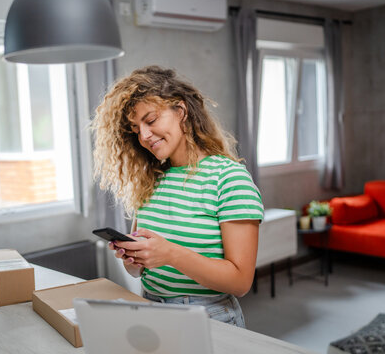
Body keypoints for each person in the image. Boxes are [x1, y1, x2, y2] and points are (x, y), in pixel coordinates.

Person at [91, 66, 264, 327]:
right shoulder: (150, 180)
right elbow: (138, 271)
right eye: (136, 129)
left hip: (208, 317)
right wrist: (135, 259)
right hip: (150, 308)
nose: (145, 136)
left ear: (181, 112)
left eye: (150, 120)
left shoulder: (228, 179)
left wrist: (170, 254)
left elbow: (240, 282)